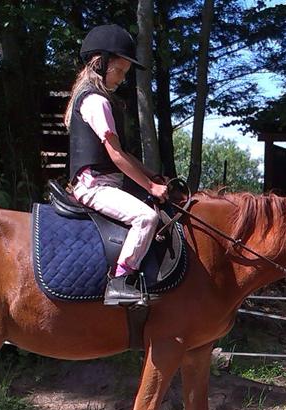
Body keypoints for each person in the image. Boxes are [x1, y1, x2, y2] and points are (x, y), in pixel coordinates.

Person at [64, 24, 168, 305]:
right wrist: (150, 187)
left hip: (107, 183)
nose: (122, 79)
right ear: (100, 63)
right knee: (146, 218)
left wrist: (153, 176)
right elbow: (115, 156)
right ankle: (119, 281)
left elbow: (124, 154)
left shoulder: (98, 99)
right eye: (119, 71)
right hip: (94, 187)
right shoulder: (96, 102)